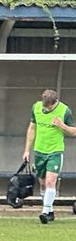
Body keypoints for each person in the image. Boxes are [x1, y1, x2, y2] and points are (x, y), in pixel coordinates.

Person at [22, 88, 76, 224]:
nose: (46, 109)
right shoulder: (36, 107)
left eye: (49, 107)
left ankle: (45, 212)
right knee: (42, 184)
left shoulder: (64, 111)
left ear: (55, 102)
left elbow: (73, 131)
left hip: (55, 151)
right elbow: (32, 128)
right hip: (39, 151)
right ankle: (50, 210)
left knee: (50, 181)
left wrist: (62, 125)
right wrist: (27, 150)